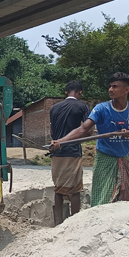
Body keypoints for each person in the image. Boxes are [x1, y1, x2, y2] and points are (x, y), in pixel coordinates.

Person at [51, 72, 129, 206]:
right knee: (102, 201)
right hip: (104, 158)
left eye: (115, 86)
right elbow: (83, 129)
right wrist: (60, 141)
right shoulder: (101, 109)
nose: (111, 89)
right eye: (110, 86)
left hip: (124, 159)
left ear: (126, 90)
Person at [48, 80, 88, 224]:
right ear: (80, 92)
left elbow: (52, 131)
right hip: (73, 152)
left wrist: (58, 141)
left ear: (66, 92)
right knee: (75, 189)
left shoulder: (54, 108)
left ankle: (58, 222)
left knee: (58, 189)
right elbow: (86, 130)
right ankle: (74, 222)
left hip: (56, 153)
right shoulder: (82, 107)